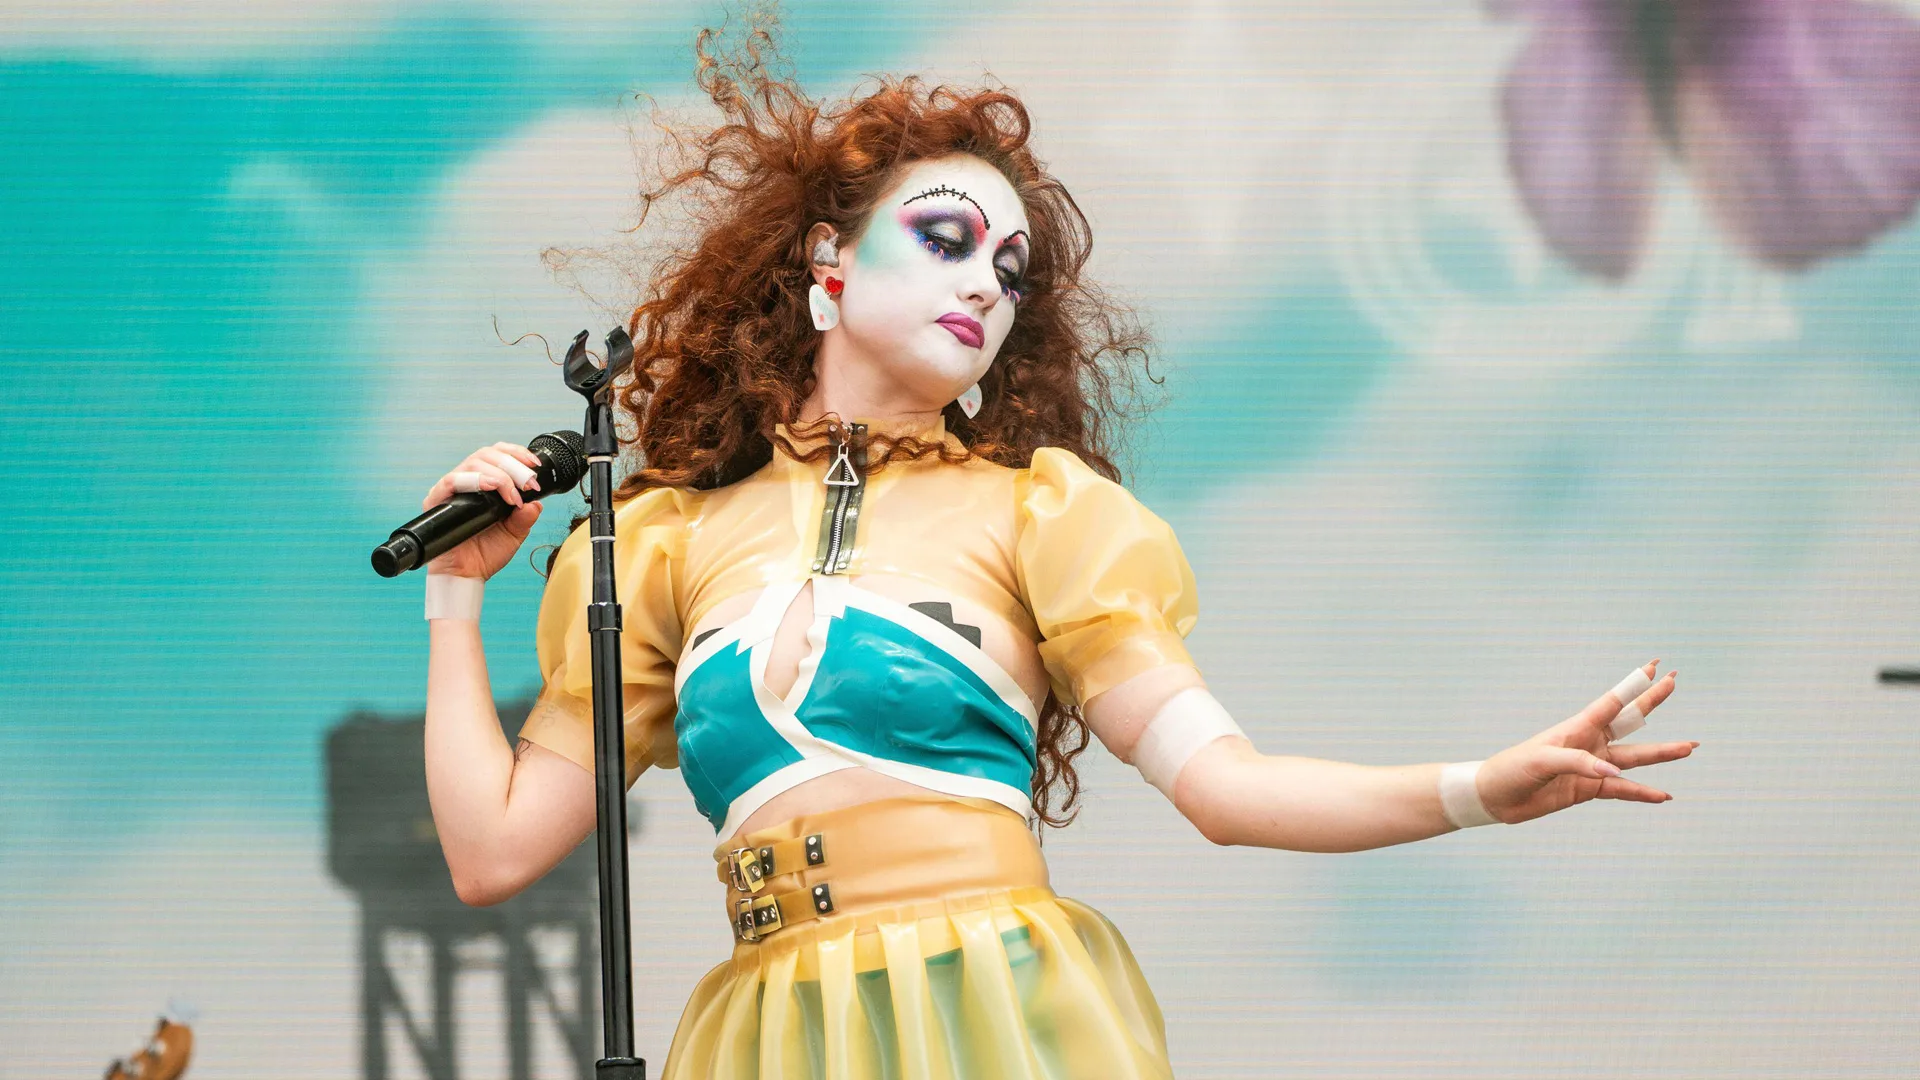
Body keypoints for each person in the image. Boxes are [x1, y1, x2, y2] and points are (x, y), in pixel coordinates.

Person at [413, 24, 1696, 1079]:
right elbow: (494, 853)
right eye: (945, 239)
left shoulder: (1041, 514)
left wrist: (1479, 787)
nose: (985, 283)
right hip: (769, 1037)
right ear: (826, 263)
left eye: (1011, 269)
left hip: (995, 1016)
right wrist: (455, 605)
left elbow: (1227, 792)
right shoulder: (666, 540)